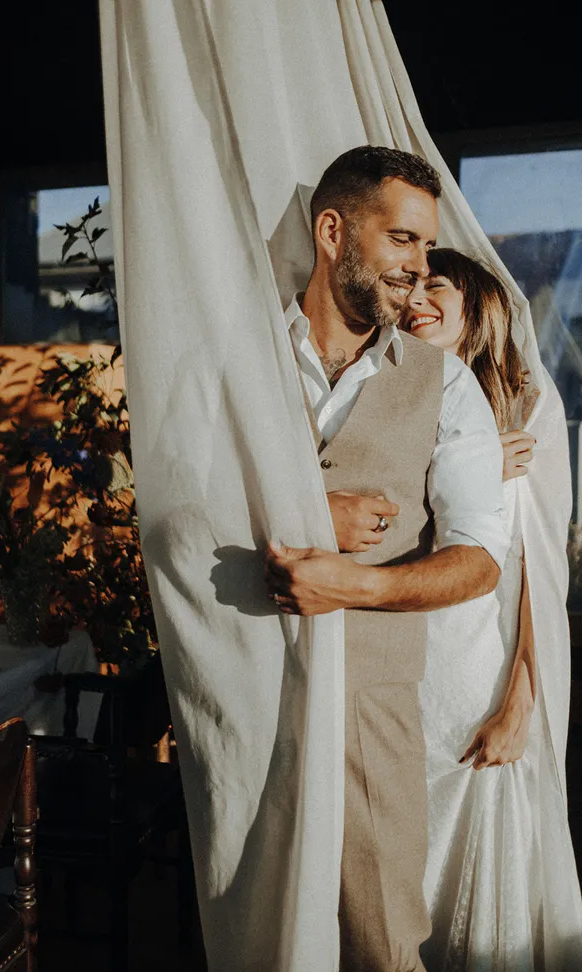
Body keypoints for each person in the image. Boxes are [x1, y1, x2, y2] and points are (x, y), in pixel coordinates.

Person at [264, 147, 510, 972]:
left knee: (383, 940)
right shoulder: (245, 357)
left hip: (374, 704)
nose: (418, 267)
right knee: (249, 932)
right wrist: (312, 513)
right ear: (332, 231)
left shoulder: (446, 385)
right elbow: (164, 503)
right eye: (401, 240)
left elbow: (481, 556)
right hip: (241, 688)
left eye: (426, 248)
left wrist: (355, 585)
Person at [400, 248, 582, 970]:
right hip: (401, 663)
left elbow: (540, 574)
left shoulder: (528, 407)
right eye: (408, 284)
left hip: (481, 668)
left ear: (478, 303)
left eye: (434, 285)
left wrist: (522, 701)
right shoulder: (393, 399)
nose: (416, 298)